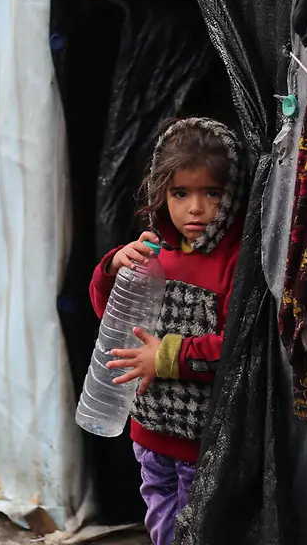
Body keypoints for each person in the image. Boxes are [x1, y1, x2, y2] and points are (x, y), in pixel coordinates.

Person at [89, 118, 246, 545]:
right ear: (161, 194)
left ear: (232, 193)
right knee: (160, 516)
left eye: (211, 193)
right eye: (180, 193)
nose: (195, 209)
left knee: (200, 528)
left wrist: (164, 356)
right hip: (150, 431)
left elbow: (236, 347)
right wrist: (113, 266)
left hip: (203, 441)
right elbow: (111, 318)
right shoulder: (154, 254)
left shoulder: (234, 262)